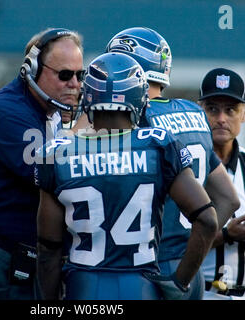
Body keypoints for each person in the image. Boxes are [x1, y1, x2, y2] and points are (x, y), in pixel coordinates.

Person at [36, 52, 218, 300]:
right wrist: (180, 281)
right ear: (140, 98)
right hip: (141, 286)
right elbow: (207, 220)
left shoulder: (56, 154)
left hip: (84, 285)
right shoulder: (158, 145)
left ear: (89, 96)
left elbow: (49, 248)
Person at [106, 27, 240, 299]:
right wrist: (193, 249)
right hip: (188, 269)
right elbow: (229, 198)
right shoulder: (192, 112)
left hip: (145, 267)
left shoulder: (135, 119)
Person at [0, 27, 84, 300]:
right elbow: (49, 173)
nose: (75, 84)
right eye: (64, 75)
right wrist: (87, 128)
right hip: (5, 252)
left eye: (79, 75)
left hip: (34, 252)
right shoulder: (6, 110)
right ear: (32, 69)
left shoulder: (51, 110)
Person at [198, 68, 245, 300]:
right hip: (202, 293)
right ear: (200, 111)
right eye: (212, 109)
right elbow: (174, 245)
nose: (221, 119)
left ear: (243, 114)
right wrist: (227, 234)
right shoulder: (186, 166)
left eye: (231, 110)